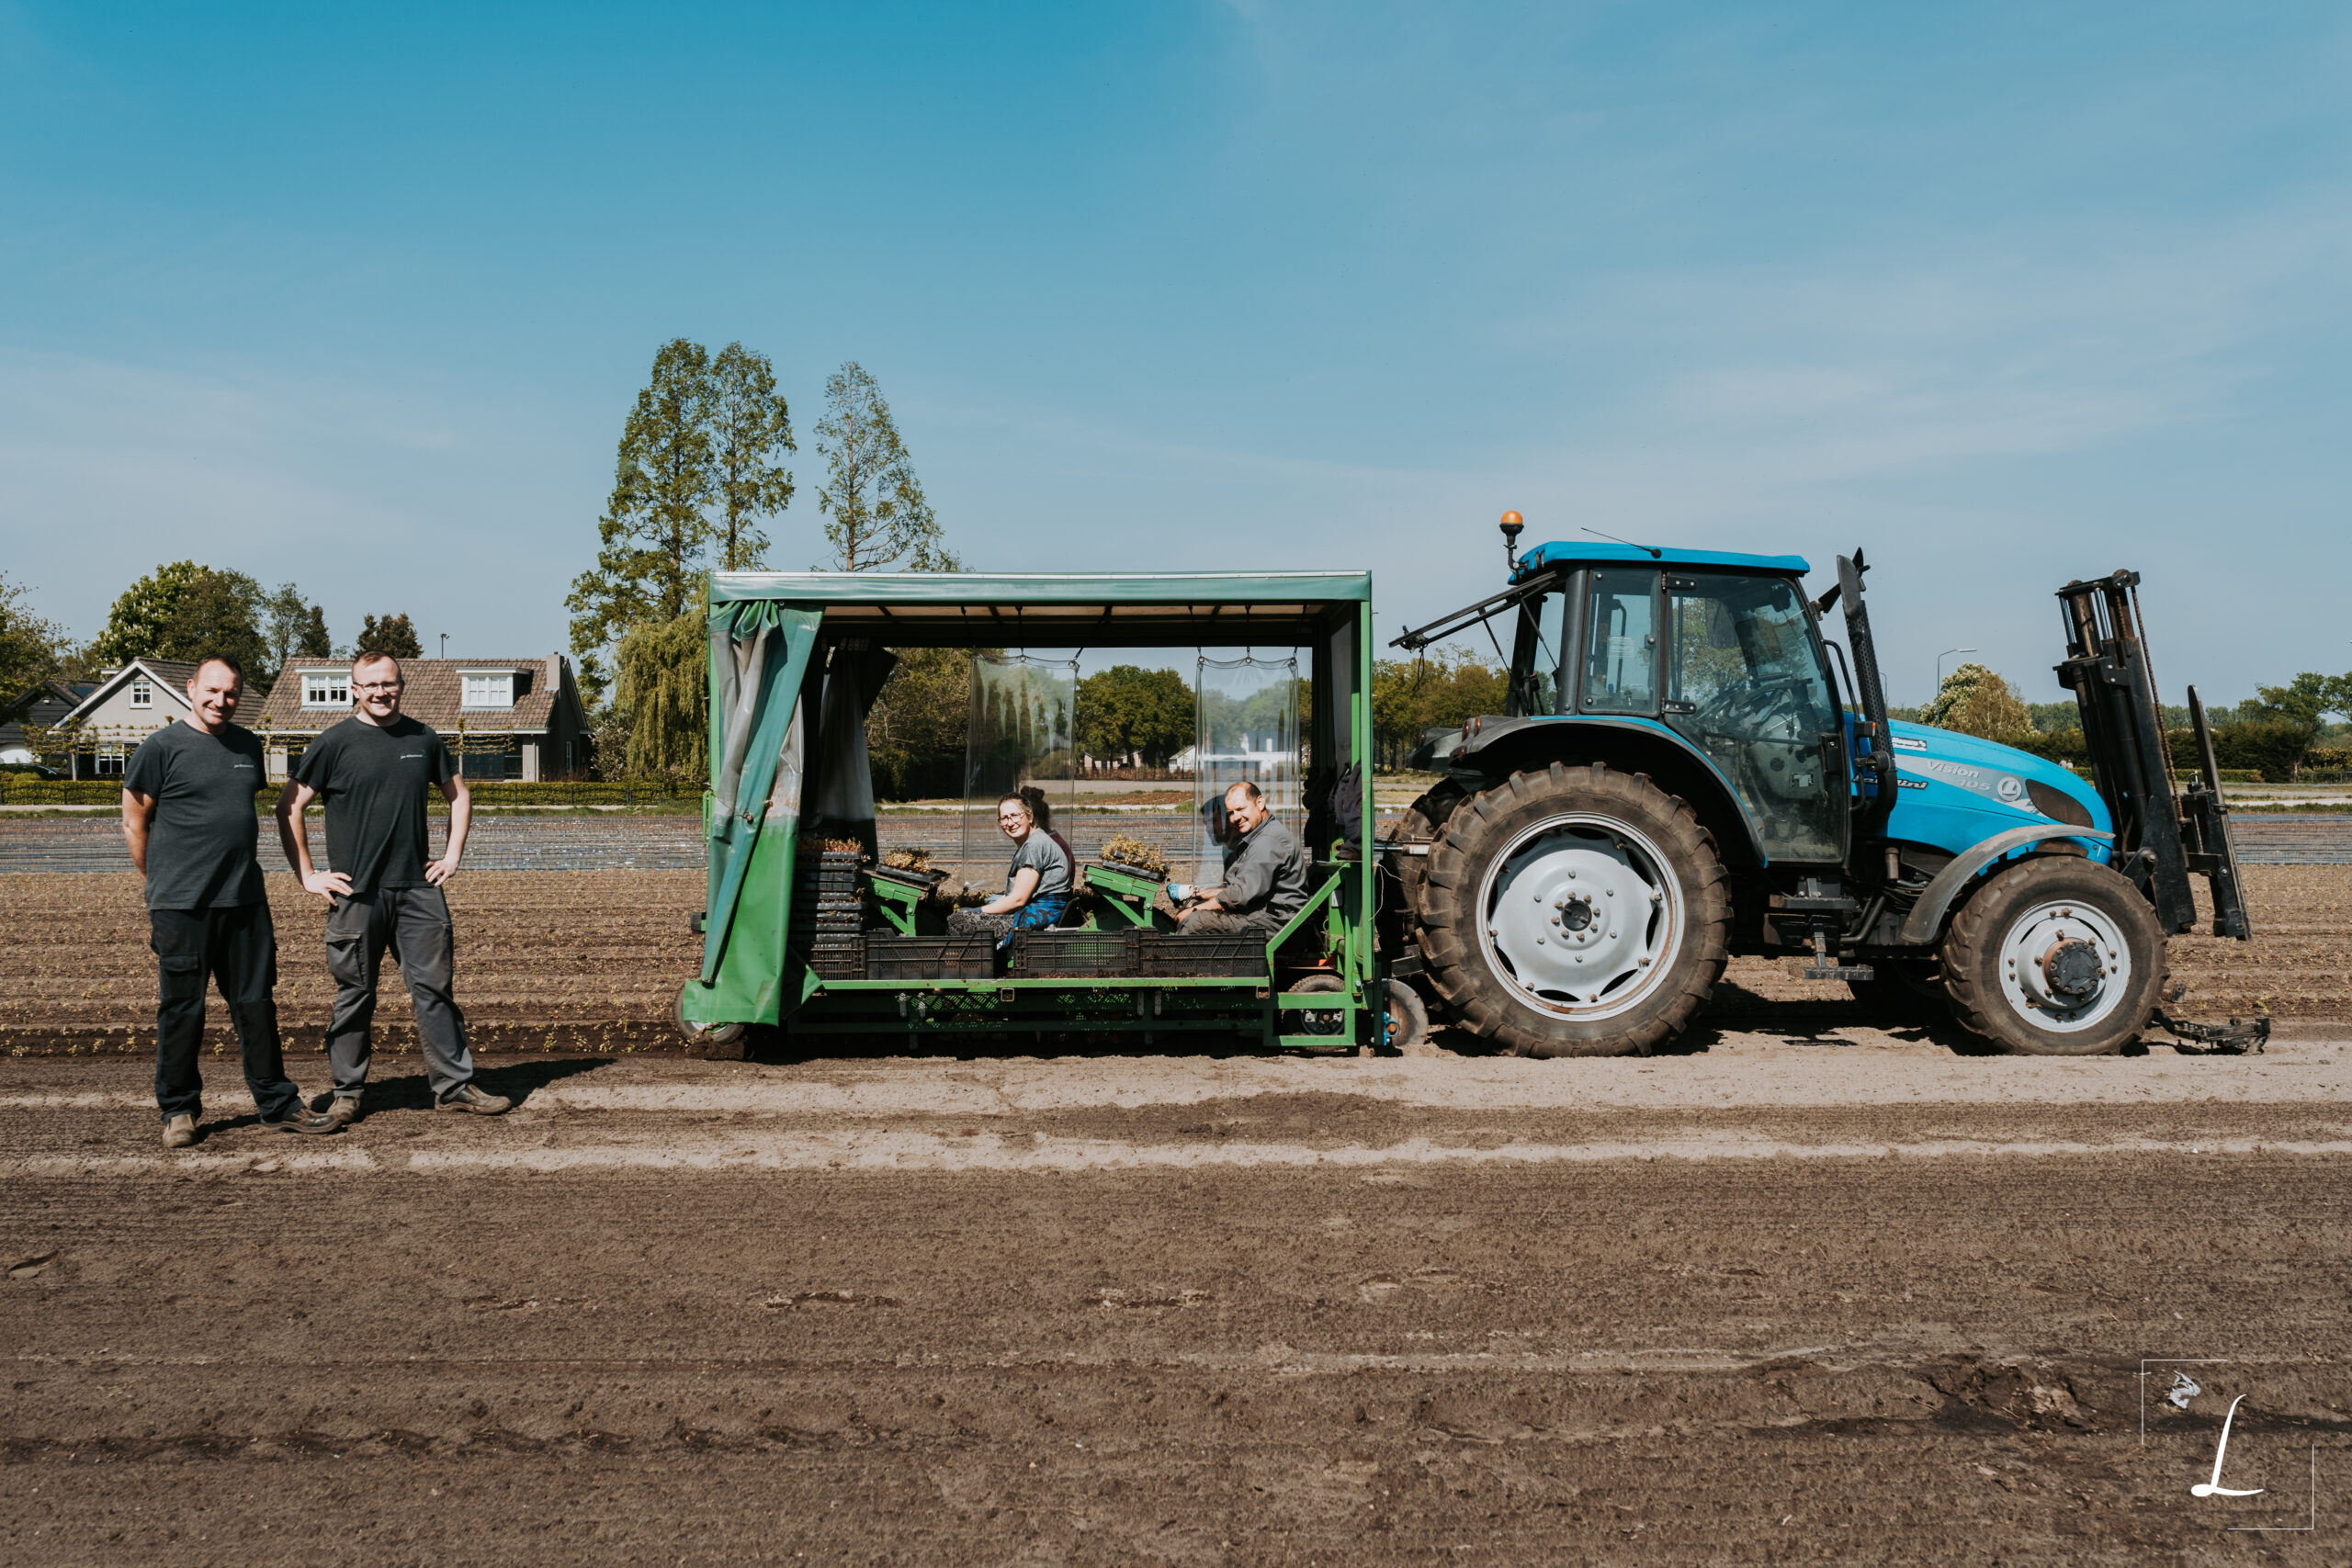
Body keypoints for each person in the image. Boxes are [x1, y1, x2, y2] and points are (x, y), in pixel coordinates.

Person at [275, 651, 509, 1120]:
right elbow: (288, 806)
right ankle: (347, 1092)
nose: (381, 692)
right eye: (371, 684)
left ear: (401, 686)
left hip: (418, 890)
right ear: (354, 689)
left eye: (389, 684)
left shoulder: (423, 738)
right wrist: (307, 873)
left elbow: (459, 796)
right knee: (355, 994)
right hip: (356, 894)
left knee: (434, 990)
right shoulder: (333, 743)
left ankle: (455, 1086)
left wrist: (452, 856)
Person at [120, 654, 342, 1146]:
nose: (221, 700)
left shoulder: (246, 744)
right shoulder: (159, 749)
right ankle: (179, 1110)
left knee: (256, 1005)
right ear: (192, 687)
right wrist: (159, 884)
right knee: (182, 1008)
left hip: (244, 901)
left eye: (231, 693)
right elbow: (135, 824)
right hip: (182, 907)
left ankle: (278, 1104)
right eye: (212, 690)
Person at [1172, 780, 1309, 937]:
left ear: (1260, 803)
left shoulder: (1268, 840)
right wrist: (1200, 896)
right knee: (1198, 909)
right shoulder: (1260, 836)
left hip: (1277, 922)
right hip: (1267, 915)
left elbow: (1240, 895)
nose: (1236, 817)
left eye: (1241, 809)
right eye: (1231, 813)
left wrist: (1196, 910)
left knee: (1195, 922)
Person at [946, 786, 1071, 940]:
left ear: (1029, 816)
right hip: (1038, 912)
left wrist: (976, 911)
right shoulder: (1032, 842)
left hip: (1038, 917)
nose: (1010, 822)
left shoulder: (1034, 845)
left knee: (959, 921)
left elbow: (1018, 899)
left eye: (1015, 815)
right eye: (1004, 818)